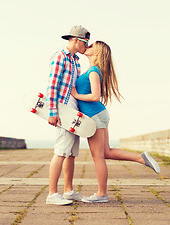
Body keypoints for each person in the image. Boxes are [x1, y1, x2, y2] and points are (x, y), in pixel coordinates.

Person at [71, 41, 160, 203]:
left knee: (98, 156)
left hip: (94, 115)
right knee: (106, 152)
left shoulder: (93, 72)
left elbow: (95, 97)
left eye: (91, 46)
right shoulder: (93, 70)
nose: (88, 47)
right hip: (99, 114)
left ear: (96, 53)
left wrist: (76, 95)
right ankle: (141, 158)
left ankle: (101, 194)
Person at [46, 25, 90, 205]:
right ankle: (52, 194)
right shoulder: (60, 57)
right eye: (85, 43)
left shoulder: (76, 61)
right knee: (61, 151)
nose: (86, 47)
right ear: (76, 40)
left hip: (73, 111)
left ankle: (68, 191)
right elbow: (52, 85)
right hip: (62, 109)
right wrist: (52, 112)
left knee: (71, 153)